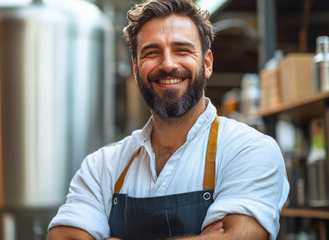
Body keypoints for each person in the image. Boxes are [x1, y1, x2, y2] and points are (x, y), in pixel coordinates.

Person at [47, 0, 289, 239]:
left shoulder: (248, 149)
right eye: (152, 52)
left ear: (206, 63)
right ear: (135, 68)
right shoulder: (101, 167)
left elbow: (238, 237)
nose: (168, 64)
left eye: (181, 50)